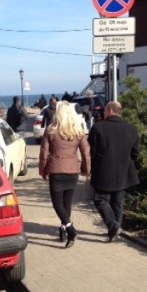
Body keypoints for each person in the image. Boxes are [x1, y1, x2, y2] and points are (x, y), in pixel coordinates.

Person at [39, 102, 91, 247]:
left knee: (57, 204)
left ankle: (70, 229)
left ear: (58, 114)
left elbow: (44, 153)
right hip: (72, 171)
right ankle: (63, 229)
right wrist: (86, 170)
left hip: (56, 170)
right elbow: (86, 153)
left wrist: (42, 171)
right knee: (66, 203)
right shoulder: (78, 130)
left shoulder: (50, 130)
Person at [88, 101, 140, 241]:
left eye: (105, 110)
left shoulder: (98, 128)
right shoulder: (131, 129)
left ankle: (113, 226)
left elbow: (92, 152)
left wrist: (90, 168)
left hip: (103, 170)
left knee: (100, 199)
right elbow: (135, 153)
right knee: (118, 201)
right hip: (123, 171)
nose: (104, 113)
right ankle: (115, 229)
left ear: (110, 111)